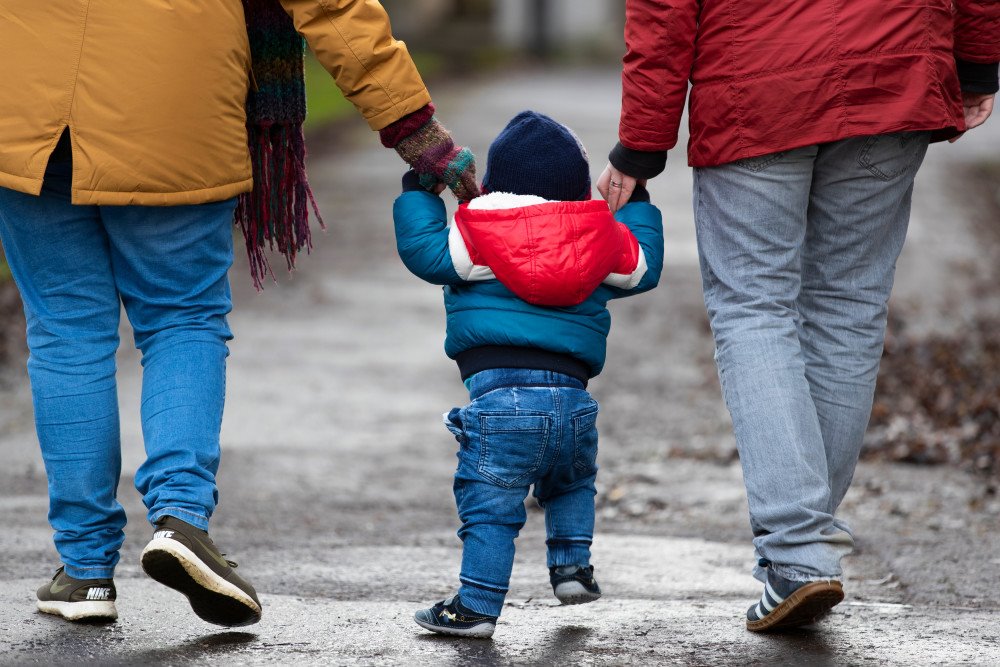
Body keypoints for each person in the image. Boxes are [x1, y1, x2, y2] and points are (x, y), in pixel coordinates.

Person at [0, 0, 475, 626]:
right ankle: (180, 517)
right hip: (173, 106)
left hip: (27, 108)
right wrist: (413, 128)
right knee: (180, 319)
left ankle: (85, 571)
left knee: (66, 333)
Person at [598, 0, 1000, 632]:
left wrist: (643, 142)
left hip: (756, 81)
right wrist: (976, 62)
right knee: (850, 307)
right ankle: (803, 549)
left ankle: (799, 551)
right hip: (891, 71)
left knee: (754, 308)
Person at [393, 111, 664, 638]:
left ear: (496, 186)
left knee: (490, 505)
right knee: (571, 482)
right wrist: (640, 206)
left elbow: (422, 251)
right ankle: (571, 569)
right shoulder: (601, 240)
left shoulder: (478, 231)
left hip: (500, 404)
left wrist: (417, 190)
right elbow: (644, 265)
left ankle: (476, 606)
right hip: (573, 404)